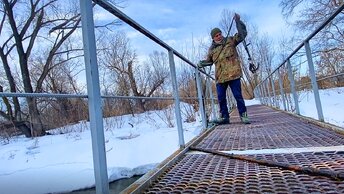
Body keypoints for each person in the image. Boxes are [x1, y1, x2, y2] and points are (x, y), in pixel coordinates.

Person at [198, 13, 250, 124]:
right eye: (216, 35)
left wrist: (238, 22)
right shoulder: (211, 49)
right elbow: (209, 61)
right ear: (213, 38)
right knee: (221, 98)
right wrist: (201, 64)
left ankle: (244, 115)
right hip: (220, 77)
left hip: (233, 74)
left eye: (220, 34)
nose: (219, 36)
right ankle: (225, 117)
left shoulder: (230, 40)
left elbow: (242, 34)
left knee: (238, 96)